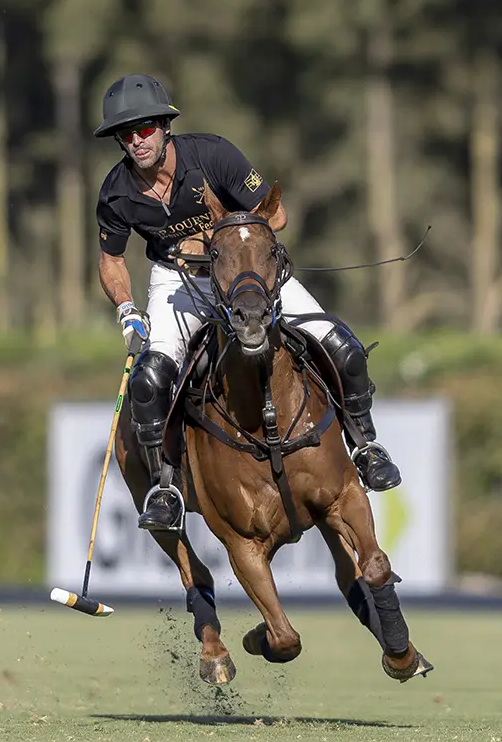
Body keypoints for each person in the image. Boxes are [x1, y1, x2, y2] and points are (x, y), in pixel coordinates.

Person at [94, 74, 401, 533]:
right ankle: (164, 487)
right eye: (126, 133)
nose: (137, 141)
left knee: (342, 345)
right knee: (150, 378)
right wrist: (125, 308)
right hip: (176, 282)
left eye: (145, 129)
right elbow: (111, 259)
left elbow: (275, 214)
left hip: (244, 273)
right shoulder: (117, 191)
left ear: (164, 126)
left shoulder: (213, 155)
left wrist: (222, 242)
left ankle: (366, 445)